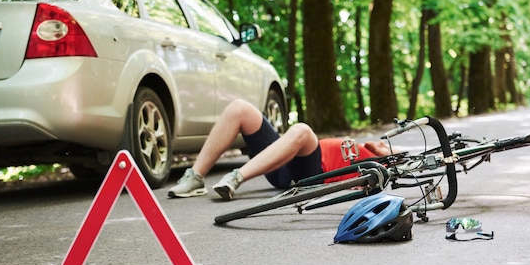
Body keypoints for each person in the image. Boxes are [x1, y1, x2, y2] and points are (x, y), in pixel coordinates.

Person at [167, 99, 392, 201]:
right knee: (240, 108)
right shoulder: (366, 147)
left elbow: (411, 154)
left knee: (302, 130)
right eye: (385, 142)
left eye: (388, 146)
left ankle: (236, 177)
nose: (384, 143)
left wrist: (386, 157)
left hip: (310, 172)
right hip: (281, 160)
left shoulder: (379, 166)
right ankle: (195, 177)